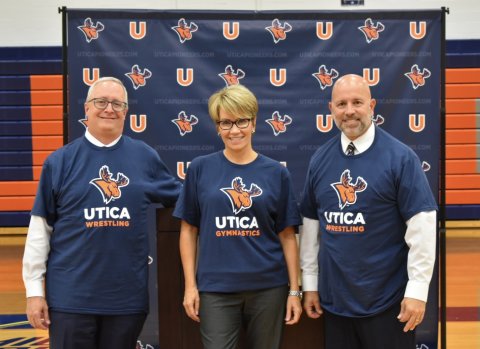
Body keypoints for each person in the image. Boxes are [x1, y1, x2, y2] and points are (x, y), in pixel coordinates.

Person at [22, 77, 182, 349]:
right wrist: (34, 292)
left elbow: (186, 200)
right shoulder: (59, 162)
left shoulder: (145, 158)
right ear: (86, 108)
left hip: (125, 300)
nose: (109, 108)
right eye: (101, 102)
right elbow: (40, 231)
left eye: (117, 103)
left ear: (126, 112)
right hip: (70, 300)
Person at [300, 74, 437, 349]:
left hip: (389, 302)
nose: (349, 111)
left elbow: (422, 226)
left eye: (357, 102)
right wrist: (310, 283)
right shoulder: (320, 159)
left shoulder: (400, 158)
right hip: (335, 303)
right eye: (341, 104)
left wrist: (418, 291)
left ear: (372, 105)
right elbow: (310, 226)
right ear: (331, 110)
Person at [173, 84, 303, 349]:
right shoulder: (200, 169)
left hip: (269, 288)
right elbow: (188, 231)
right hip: (216, 290)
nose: (234, 130)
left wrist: (294, 290)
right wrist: (190, 286)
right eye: (226, 123)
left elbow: (288, 236)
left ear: (254, 122)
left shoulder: (276, 173)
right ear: (217, 127)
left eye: (241, 121)